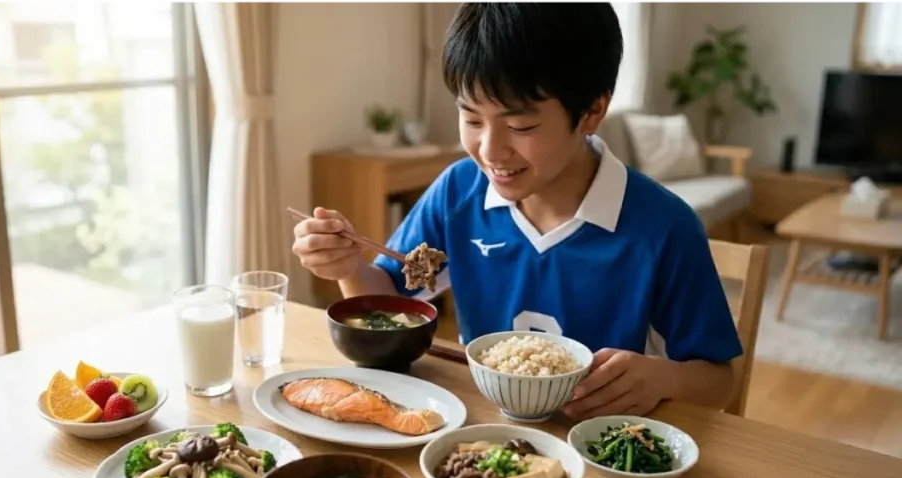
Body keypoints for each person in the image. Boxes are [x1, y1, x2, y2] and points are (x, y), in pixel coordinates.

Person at [291, 0, 742, 420]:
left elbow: (719, 380)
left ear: (592, 111)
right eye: (470, 119)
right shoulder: (458, 191)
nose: (489, 150)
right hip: (477, 433)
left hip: (600, 441)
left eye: (520, 125)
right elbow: (390, 301)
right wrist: (347, 266)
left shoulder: (664, 227)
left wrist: (662, 377)